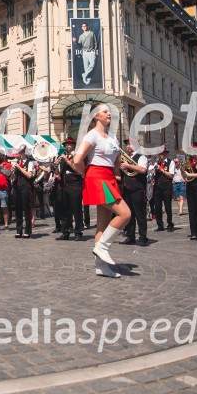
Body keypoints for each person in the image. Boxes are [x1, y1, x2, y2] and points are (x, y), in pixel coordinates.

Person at [71, 103, 131, 278]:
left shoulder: (112, 136)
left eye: (108, 111)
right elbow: (77, 159)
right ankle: (102, 247)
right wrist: (87, 172)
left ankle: (101, 267)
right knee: (125, 214)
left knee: (102, 226)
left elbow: (116, 160)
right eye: (104, 111)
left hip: (109, 177)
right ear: (96, 116)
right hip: (97, 177)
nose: (108, 114)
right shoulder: (92, 135)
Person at [120, 138, 149, 246]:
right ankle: (130, 236)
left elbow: (142, 170)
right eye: (126, 144)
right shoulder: (126, 158)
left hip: (138, 189)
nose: (127, 146)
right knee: (129, 215)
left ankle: (143, 237)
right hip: (127, 188)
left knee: (140, 214)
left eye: (129, 144)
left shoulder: (141, 157)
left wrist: (128, 165)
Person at [56, 137, 85, 240]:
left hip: (74, 185)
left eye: (69, 144)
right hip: (64, 185)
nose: (67, 146)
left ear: (73, 145)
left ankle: (78, 232)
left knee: (76, 209)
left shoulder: (77, 156)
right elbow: (60, 170)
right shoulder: (64, 156)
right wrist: (57, 172)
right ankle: (66, 231)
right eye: (65, 145)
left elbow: (77, 169)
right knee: (65, 210)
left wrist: (66, 160)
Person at [12, 145, 37, 238]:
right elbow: (14, 176)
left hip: (26, 187)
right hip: (17, 187)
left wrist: (18, 167)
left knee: (27, 209)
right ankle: (19, 230)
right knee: (18, 210)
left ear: (26, 153)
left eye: (22, 152)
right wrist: (11, 173)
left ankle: (28, 231)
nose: (20, 154)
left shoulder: (30, 162)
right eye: (20, 152)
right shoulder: (18, 162)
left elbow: (29, 175)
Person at [152, 148, 175, 232]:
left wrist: (161, 170)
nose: (160, 156)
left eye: (162, 154)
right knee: (157, 207)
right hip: (157, 187)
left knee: (168, 206)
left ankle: (170, 224)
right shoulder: (157, 162)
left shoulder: (170, 162)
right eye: (159, 154)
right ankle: (160, 225)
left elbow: (171, 175)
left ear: (166, 154)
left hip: (166, 187)